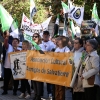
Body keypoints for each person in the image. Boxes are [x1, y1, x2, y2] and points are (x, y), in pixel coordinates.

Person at [2, 31, 21, 95]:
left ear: (18, 43)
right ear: (12, 42)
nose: (14, 42)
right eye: (13, 41)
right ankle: (5, 90)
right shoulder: (9, 46)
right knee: (6, 79)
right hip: (7, 66)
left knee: (16, 80)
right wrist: (6, 37)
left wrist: (16, 50)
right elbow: (5, 44)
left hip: (16, 67)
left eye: (16, 42)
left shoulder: (20, 49)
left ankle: (15, 91)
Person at [39, 31, 56, 99]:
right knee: (40, 80)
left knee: (49, 81)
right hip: (41, 64)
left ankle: (50, 93)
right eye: (44, 35)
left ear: (49, 36)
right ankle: (41, 93)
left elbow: (53, 53)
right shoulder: (40, 43)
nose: (45, 36)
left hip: (49, 65)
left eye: (47, 35)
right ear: (42, 35)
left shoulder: (52, 44)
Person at [55, 36, 70, 100]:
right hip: (56, 70)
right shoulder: (57, 49)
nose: (57, 41)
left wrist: (60, 55)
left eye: (59, 40)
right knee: (56, 88)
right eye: (57, 40)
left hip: (62, 71)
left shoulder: (66, 49)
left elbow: (68, 59)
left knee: (61, 88)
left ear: (63, 41)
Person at [31, 33, 43, 100]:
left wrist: (35, 45)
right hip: (33, 65)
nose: (34, 38)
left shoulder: (41, 45)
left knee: (38, 81)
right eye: (33, 36)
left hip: (39, 66)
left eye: (36, 36)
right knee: (33, 81)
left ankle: (39, 95)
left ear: (39, 38)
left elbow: (42, 53)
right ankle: (35, 94)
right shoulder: (32, 46)